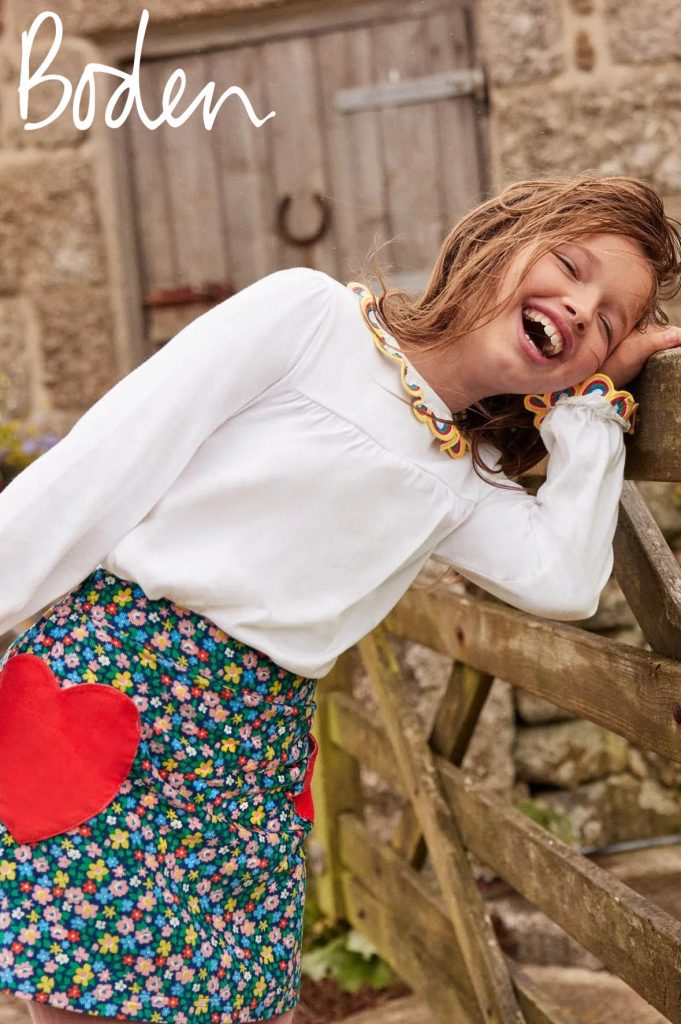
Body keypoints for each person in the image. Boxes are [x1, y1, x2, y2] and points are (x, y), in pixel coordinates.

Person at [0, 175, 680, 1024]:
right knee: (84, 1006)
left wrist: (589, 410)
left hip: (250, 754)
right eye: (571, 267)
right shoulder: (307, 319)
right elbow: (88, 478)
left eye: (607, 322)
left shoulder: (463, 474)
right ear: (499, 240)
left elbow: (566, 578)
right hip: (119, 691)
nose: (580, 307)